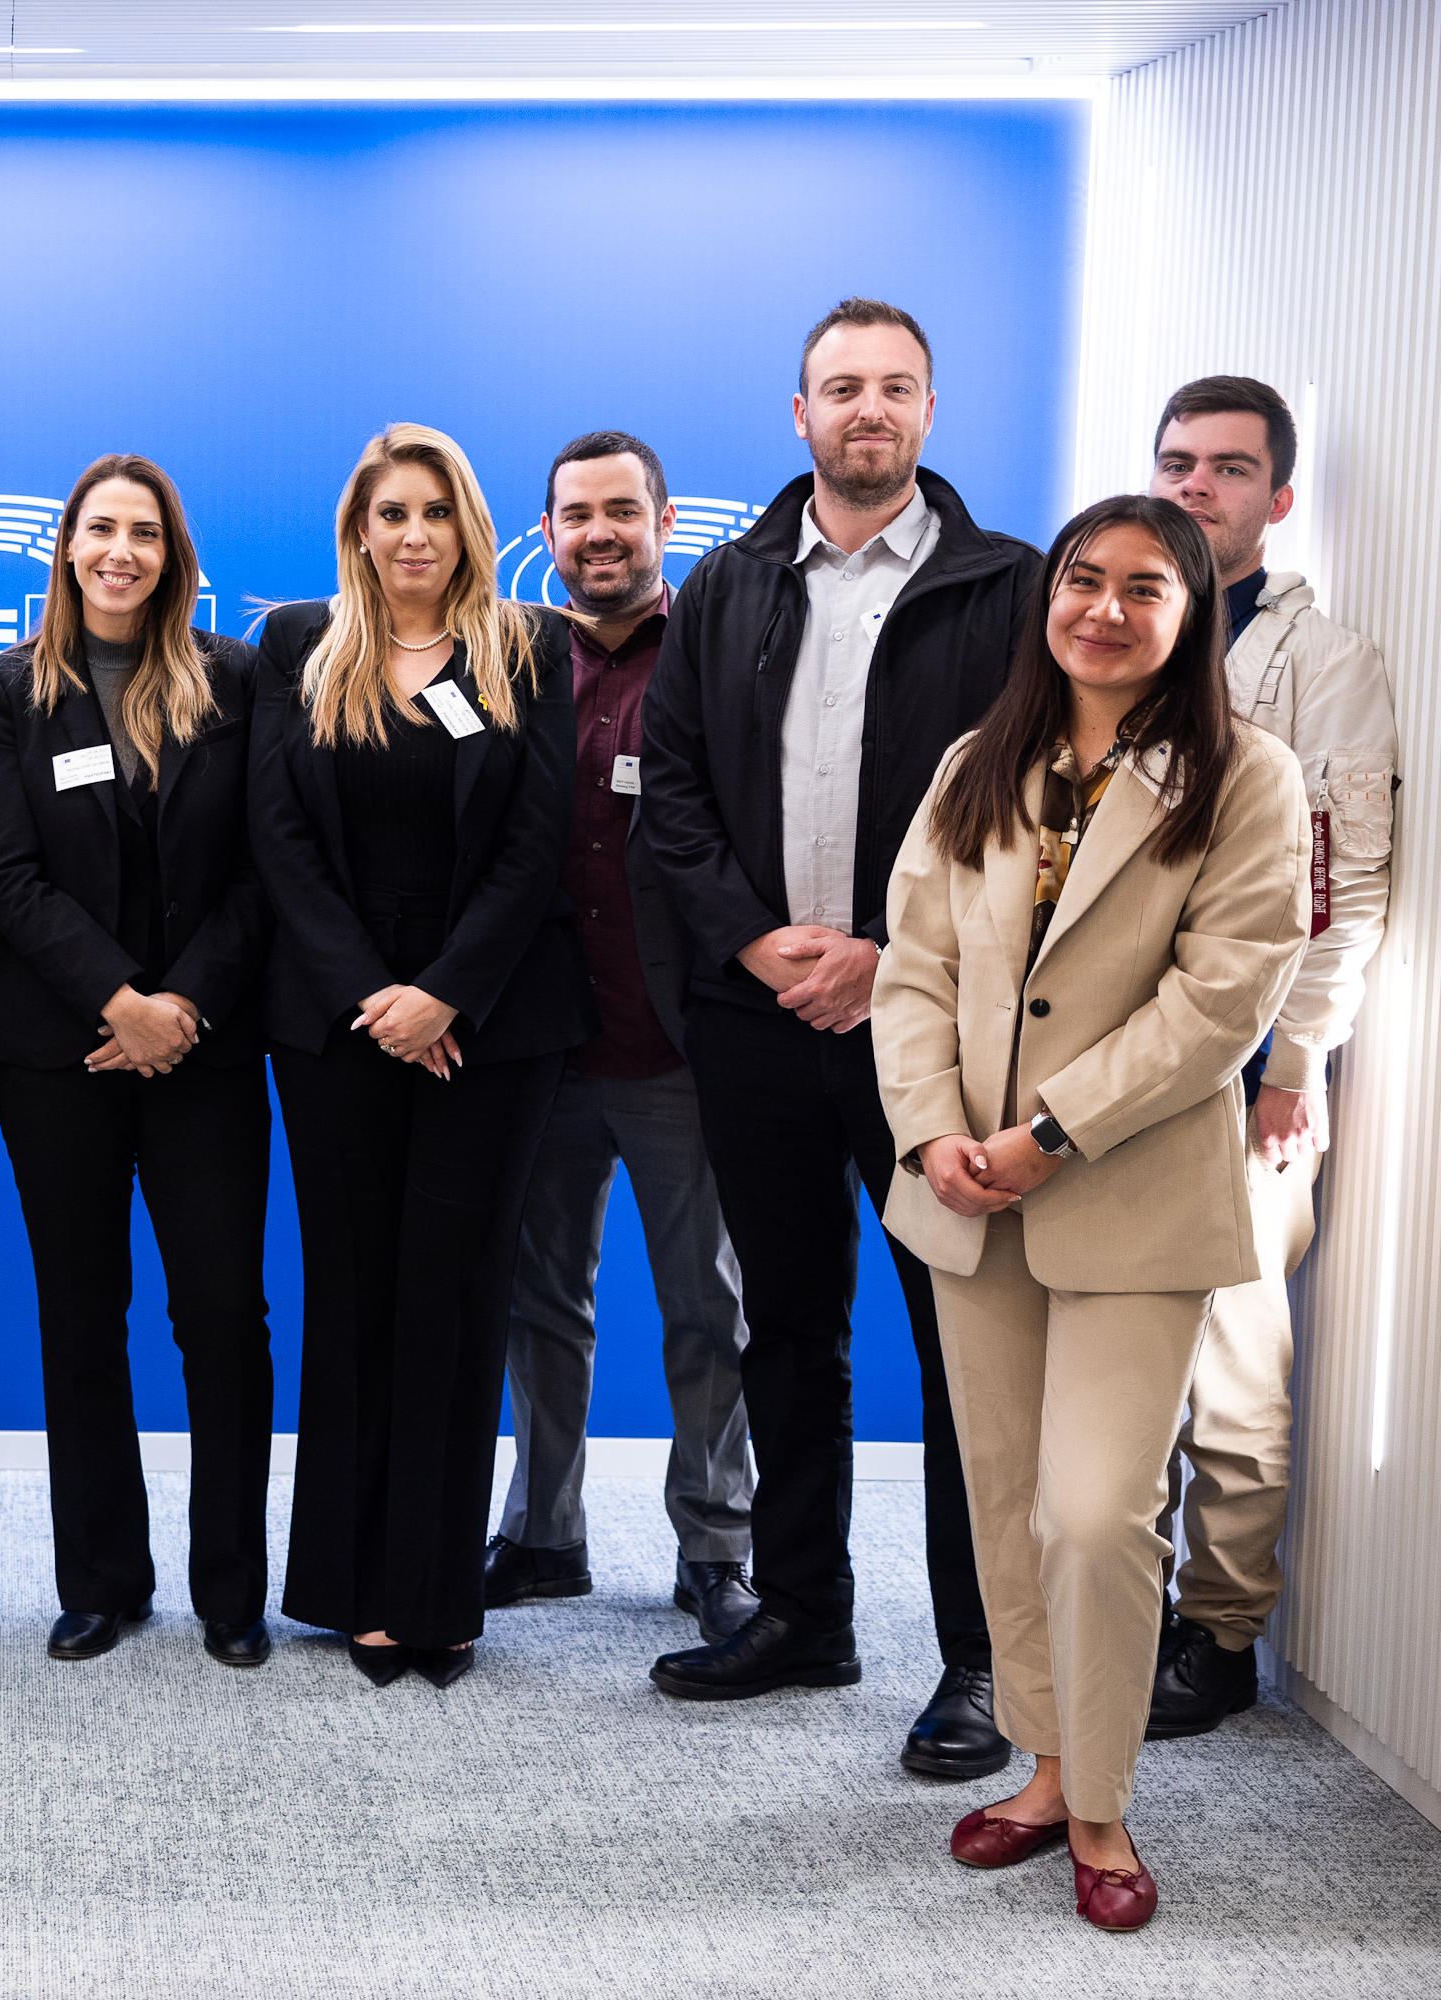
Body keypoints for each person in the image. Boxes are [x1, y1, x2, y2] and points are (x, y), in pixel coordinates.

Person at [875, 493, 1308, 1932]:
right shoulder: (976, 763)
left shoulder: (1245, 775)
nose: (1104, 610)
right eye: (1083, 580)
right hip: (967, 1201)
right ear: (1046, 598)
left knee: (1098, 1513)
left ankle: (1108, 1808)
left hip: (1126, 1196)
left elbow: (1224, 996)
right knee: (1006, 1505)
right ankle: (1047, 1770)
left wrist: (1050, 1132)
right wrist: (937, 1132)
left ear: (1190, 618)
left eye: (1144, 588)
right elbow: (915, 968)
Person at [637, 298, 1041, 1780]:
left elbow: (1029, 807)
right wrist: (757, 941)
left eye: (896, 387)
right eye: (841, 387)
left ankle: (986, 1664)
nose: (868, 408)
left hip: (924, 1033)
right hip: (757, 1019)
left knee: (963, 1351)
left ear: (930, 412)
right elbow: (667, 790)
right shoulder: (733, 585)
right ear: (796, 413)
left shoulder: (1010, 588)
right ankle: (805, 1612)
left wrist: (887, 954)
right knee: (789, 1329)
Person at [251, 424, 585, 1689]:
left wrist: (443, 995)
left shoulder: (527, 647)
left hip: (489, 1026)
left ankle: (434, 1592)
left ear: (470, 527)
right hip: (335, 1024)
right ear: (359, 528)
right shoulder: (300, 644)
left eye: (434, 511)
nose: (412, 534)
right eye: (390, 512)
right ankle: (350, 1587)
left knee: (454, 1296)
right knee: (353, 1293)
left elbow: (536, 839)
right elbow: (278, 835)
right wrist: (372, 996)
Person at [0, 455, 273, 1669]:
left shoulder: (237, 679)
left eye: (144, 533)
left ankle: (233, 1589)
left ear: (173, 554)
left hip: (203, 1049)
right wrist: (118, 999)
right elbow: (10, 876)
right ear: (68, 547)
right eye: (102, 528)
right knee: (81, 1318)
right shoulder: (10, 689)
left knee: (223, 1318)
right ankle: (100, 1579)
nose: (122, 552)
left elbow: (265, 867)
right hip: (63, 1053)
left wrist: (180, 1002)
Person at [1143, 376, 1398, 1737]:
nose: (1197, 487)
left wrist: (1297, 1059)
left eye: (1228, 469)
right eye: (1177, 462)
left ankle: (1221, 1629)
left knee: (1234, 1359)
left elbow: (1346, 879)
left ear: (1276, 500)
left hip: (1251, 1075)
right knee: (1124, 1358)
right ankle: (1123, 1607)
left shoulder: (1324, 661)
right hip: (1114, 1067)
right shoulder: (1116, 628)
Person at [488, 432, 757, 1645]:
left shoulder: (717, 654)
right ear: (546, 534)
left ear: (662, 522)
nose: (599, 533)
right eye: (575, 515)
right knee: (539, 1303)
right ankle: (543, 1531)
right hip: (540, 1047)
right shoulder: (508, 661)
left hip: (675, 1047)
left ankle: (716, 1544)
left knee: (706, 1304)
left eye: (622, 512)